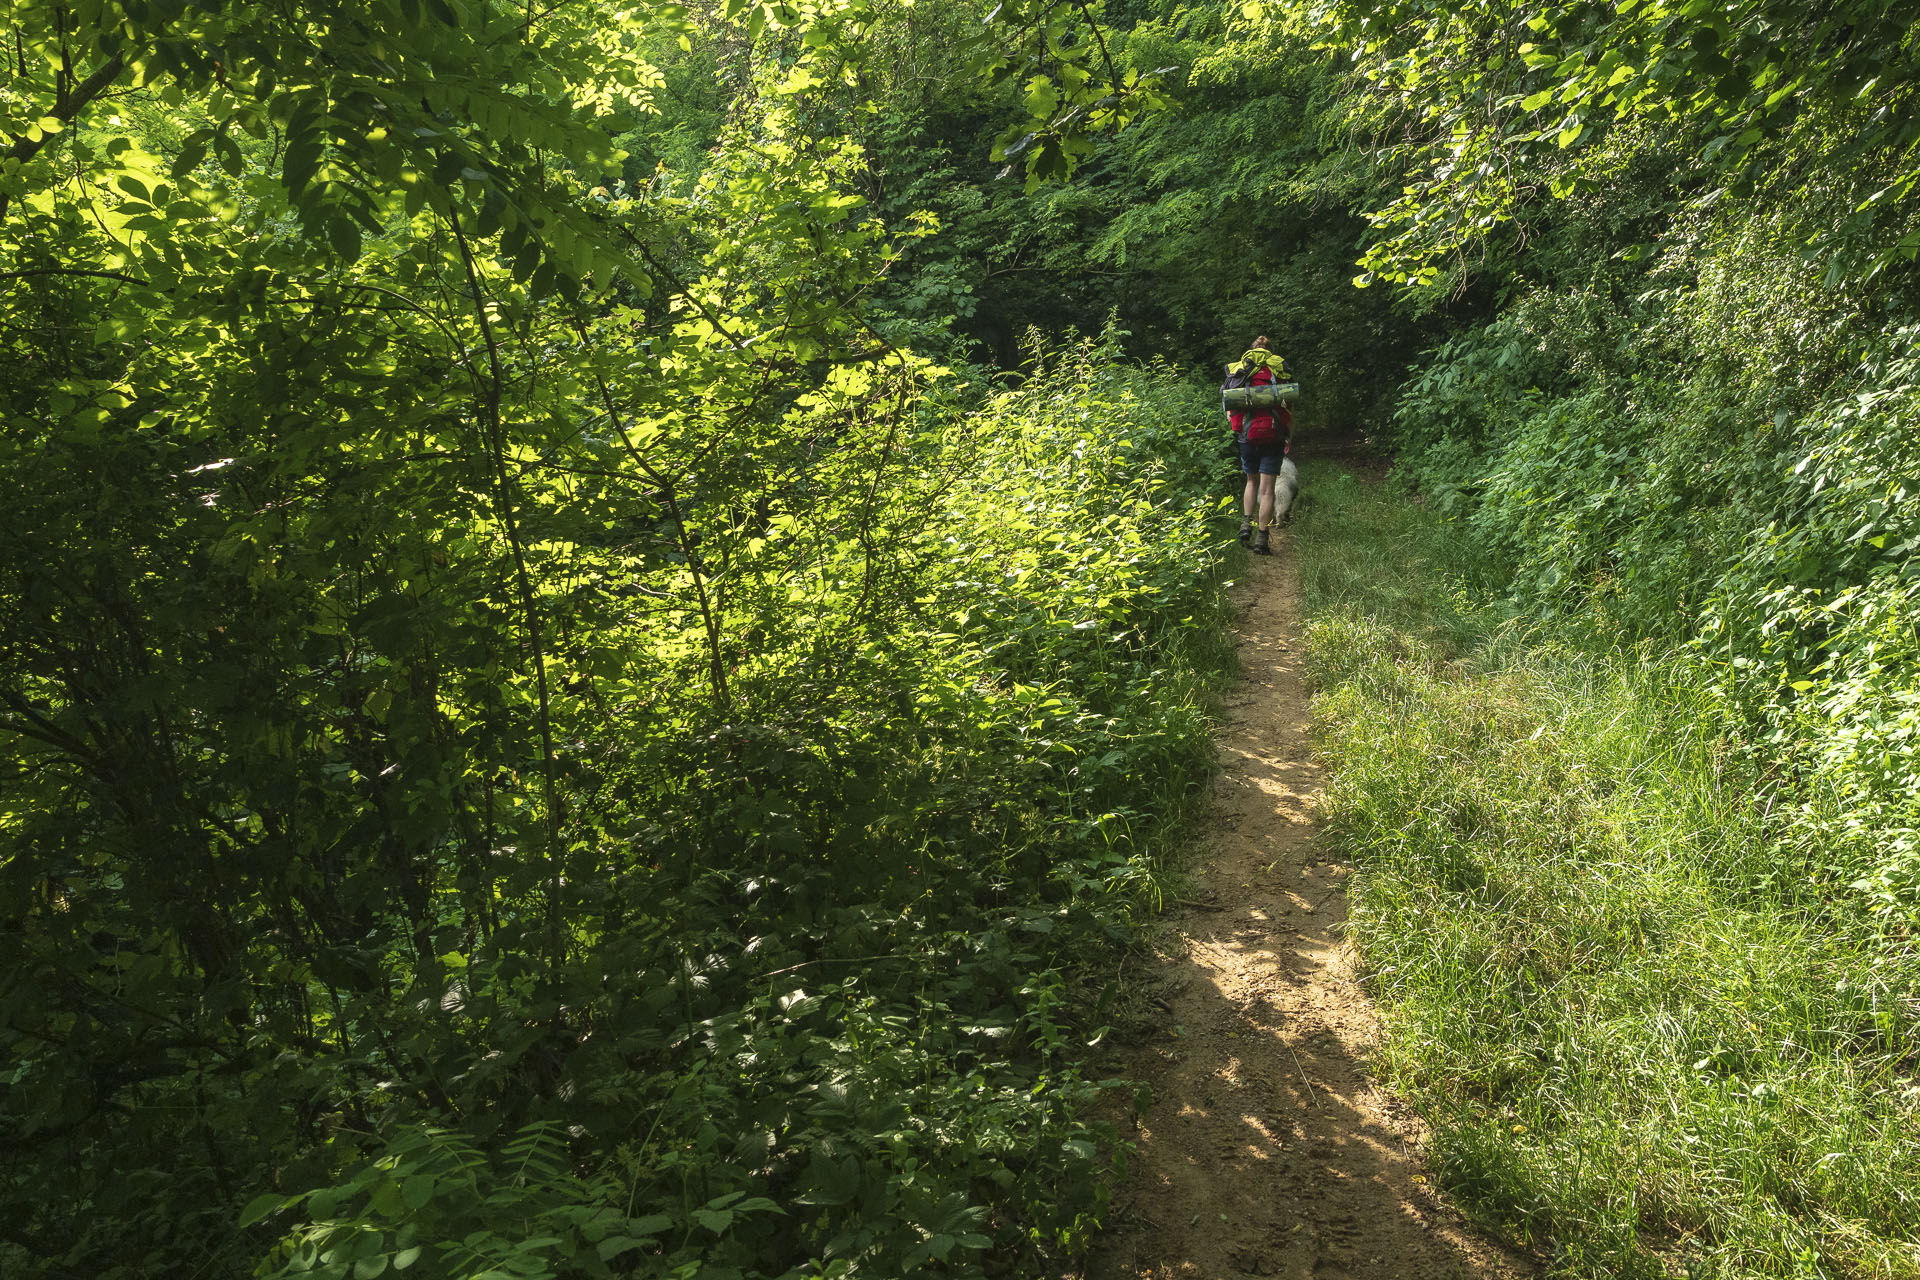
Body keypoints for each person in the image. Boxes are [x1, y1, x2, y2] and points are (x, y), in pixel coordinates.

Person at [1226, 336, 1297, 555]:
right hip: (1274, 436)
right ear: (1270, 352)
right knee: (1267, 490)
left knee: (1250, 482)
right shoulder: (1278, 370)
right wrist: (1288, 437)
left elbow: (1230, 412)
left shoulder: (1240, 371)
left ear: (1252, 350)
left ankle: (1246, 524)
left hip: (1248, 436)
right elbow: (1289, 409)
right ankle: (1262, 539)